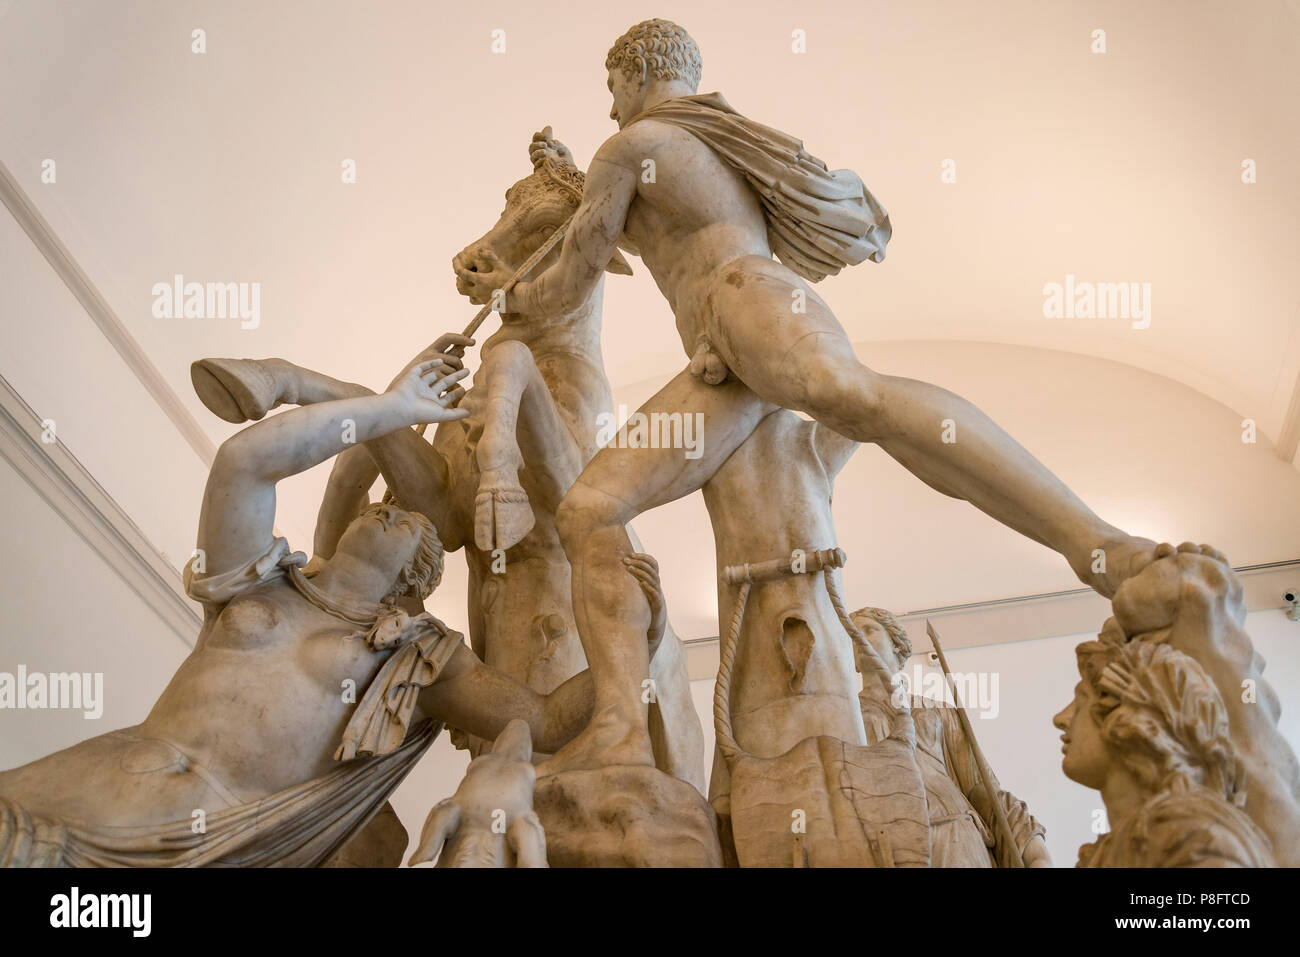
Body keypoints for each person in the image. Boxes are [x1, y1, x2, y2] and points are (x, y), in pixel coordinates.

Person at [456, 18, 1165, 773]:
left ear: (635, 74)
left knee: (853, 396)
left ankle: (1093, 541)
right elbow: (630, 235)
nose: (608, 108)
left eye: (611, 88)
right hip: (719, 359)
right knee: (590, 508)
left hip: (746, 303)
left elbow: (575, 274)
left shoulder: (630, 148)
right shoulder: (697, 148)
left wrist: (508, 289)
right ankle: (621, 727)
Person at [0, 351, 663, 867]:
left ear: (416, 575)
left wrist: (637, 641)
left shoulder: (416, 655)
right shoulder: (261, 581)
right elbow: (243, 462)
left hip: (209, 839)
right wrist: (389, 406)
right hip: (76, 792)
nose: (385, 506)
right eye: (383, 505)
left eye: (404, 519)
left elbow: (544, 719)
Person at [1054, 625, 1273, 867]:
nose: (1061, 718)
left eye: (1082, 699)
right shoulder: (1115, 846)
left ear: (1128, 714)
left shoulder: (1197, 842)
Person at [852, 607, 1051, 867]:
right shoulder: (844, 718)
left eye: (869, 629)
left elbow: (981, 786)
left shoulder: (938, 710)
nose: (859, 638)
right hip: (885, 840)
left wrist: (1030, 844)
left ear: (896, 645)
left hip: (956, 831)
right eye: (853, 634)